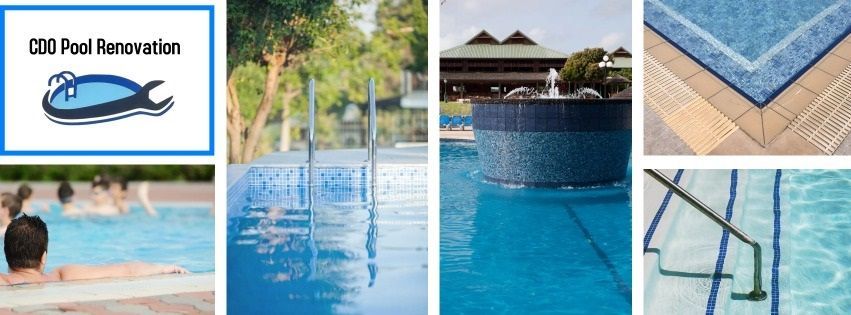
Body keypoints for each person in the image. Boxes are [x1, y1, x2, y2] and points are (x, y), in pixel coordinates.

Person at [0, 215, 187, 285]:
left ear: (6, 254)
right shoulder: (63, 275)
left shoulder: (5, 281)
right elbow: (126, 270)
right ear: (44, 257)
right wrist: (163, 268)